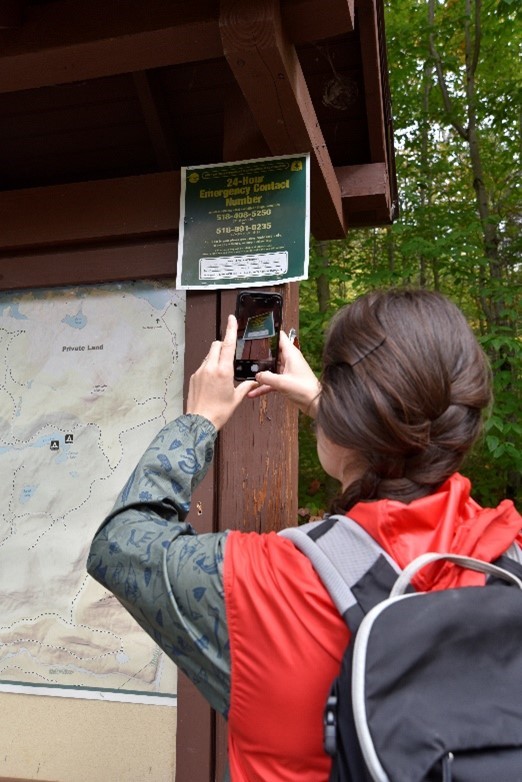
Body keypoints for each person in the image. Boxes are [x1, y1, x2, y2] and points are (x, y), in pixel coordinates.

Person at [87, 288, 522, 782]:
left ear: (348, 408)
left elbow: (121, 541)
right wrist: (334, 412)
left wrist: (198, 420)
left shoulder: (268, 585)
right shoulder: (507, 552)